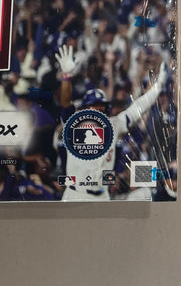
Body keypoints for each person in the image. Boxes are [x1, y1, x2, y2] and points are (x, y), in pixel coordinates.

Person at [55, 44, 167, 201]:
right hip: (76, 194)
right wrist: (66, 77)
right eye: (93, 106)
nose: (97, 110)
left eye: (101, 107)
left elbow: (137, 108)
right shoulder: (74, 124)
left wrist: (157, 87)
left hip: (102, 196)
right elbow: (66, 103)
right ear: (84, 109)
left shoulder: (113, 124)